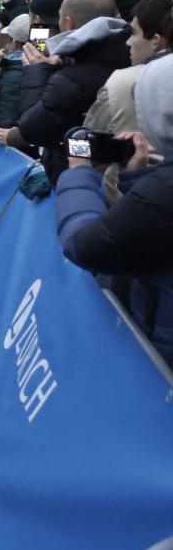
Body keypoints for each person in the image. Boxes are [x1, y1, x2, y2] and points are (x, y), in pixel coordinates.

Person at [56, 54, 173, 366]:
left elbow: (85, 245)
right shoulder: (161, 188)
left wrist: (80, 172)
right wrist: (137, 178)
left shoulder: (165, 191)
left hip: (156, 363)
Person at [0, 0, 127, 177]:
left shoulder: (70, 79)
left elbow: (32, 126)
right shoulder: (125, 50)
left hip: (76, 174)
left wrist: (36, 69)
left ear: (68, 22)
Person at [84, 0, 172, 140]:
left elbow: (88, 140)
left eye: (133, 33)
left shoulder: (122, 82)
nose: (128, 42)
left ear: (156, 41)